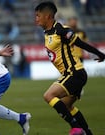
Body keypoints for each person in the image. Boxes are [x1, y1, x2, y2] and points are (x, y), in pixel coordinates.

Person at [35, 1, 105, 135]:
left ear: (48, 16)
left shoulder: (61, 30)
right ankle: (86, 132)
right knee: (67, 106)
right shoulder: (47, 32)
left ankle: (75, 127)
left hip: (74, 73)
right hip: (73, 74)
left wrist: (100, 53)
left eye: (38, 16)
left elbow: (80, 43)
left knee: (49, 95)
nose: (36, 19)